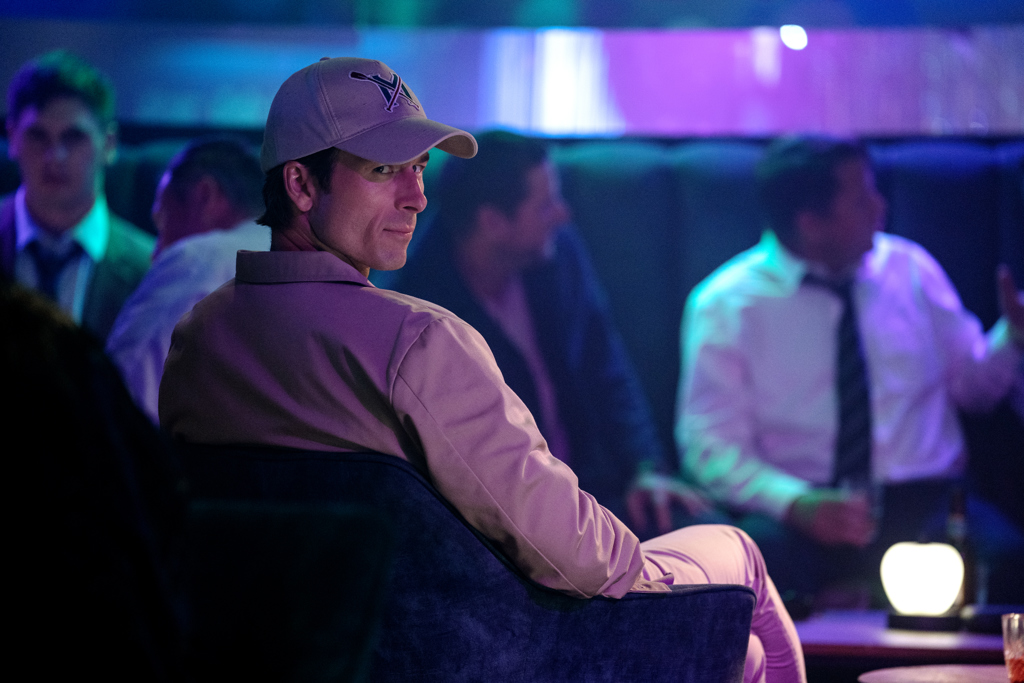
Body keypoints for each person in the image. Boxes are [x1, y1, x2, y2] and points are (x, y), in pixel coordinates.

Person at [159, 57, 804, 682]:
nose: (417, 196)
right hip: (499, 652)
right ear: (300, 185)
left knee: (739, 655)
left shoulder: (198, 337)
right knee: (737, 554)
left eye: (418, 167)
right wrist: (653, 571)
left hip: (299, 656)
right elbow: (577, 557)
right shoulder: (417, 339)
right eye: (385, 169)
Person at [677, 135, 1024, 605]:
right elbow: (709, 447)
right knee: (746, 567)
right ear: (811, 223)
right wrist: (794, 502)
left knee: (1007, 560)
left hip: (926, 502)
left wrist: (1014, 339)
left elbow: (973, 390)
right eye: (862, 199)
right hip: (801, 511)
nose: (880, 207)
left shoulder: (911, 270)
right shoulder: (726, 304)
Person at [392, 130, 710, 536]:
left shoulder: (558, 252)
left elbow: (605, 366)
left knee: (709, 532)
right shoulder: (420, 306)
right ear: (492, 222)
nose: (562, 215)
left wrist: (644, 468)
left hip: (590, 489)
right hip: (499, 523)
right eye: (545, 206)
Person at [106, 138, 268, 423]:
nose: (156, 254)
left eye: (162, 221)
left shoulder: (199, 260)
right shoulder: (319, 262)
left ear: (204, 195)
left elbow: (118, 402)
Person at [1, 50, 154, 341]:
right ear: (12, 139)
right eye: (38, 136)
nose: (54, 157)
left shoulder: (151, 271)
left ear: (108, 144)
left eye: (73, 138)